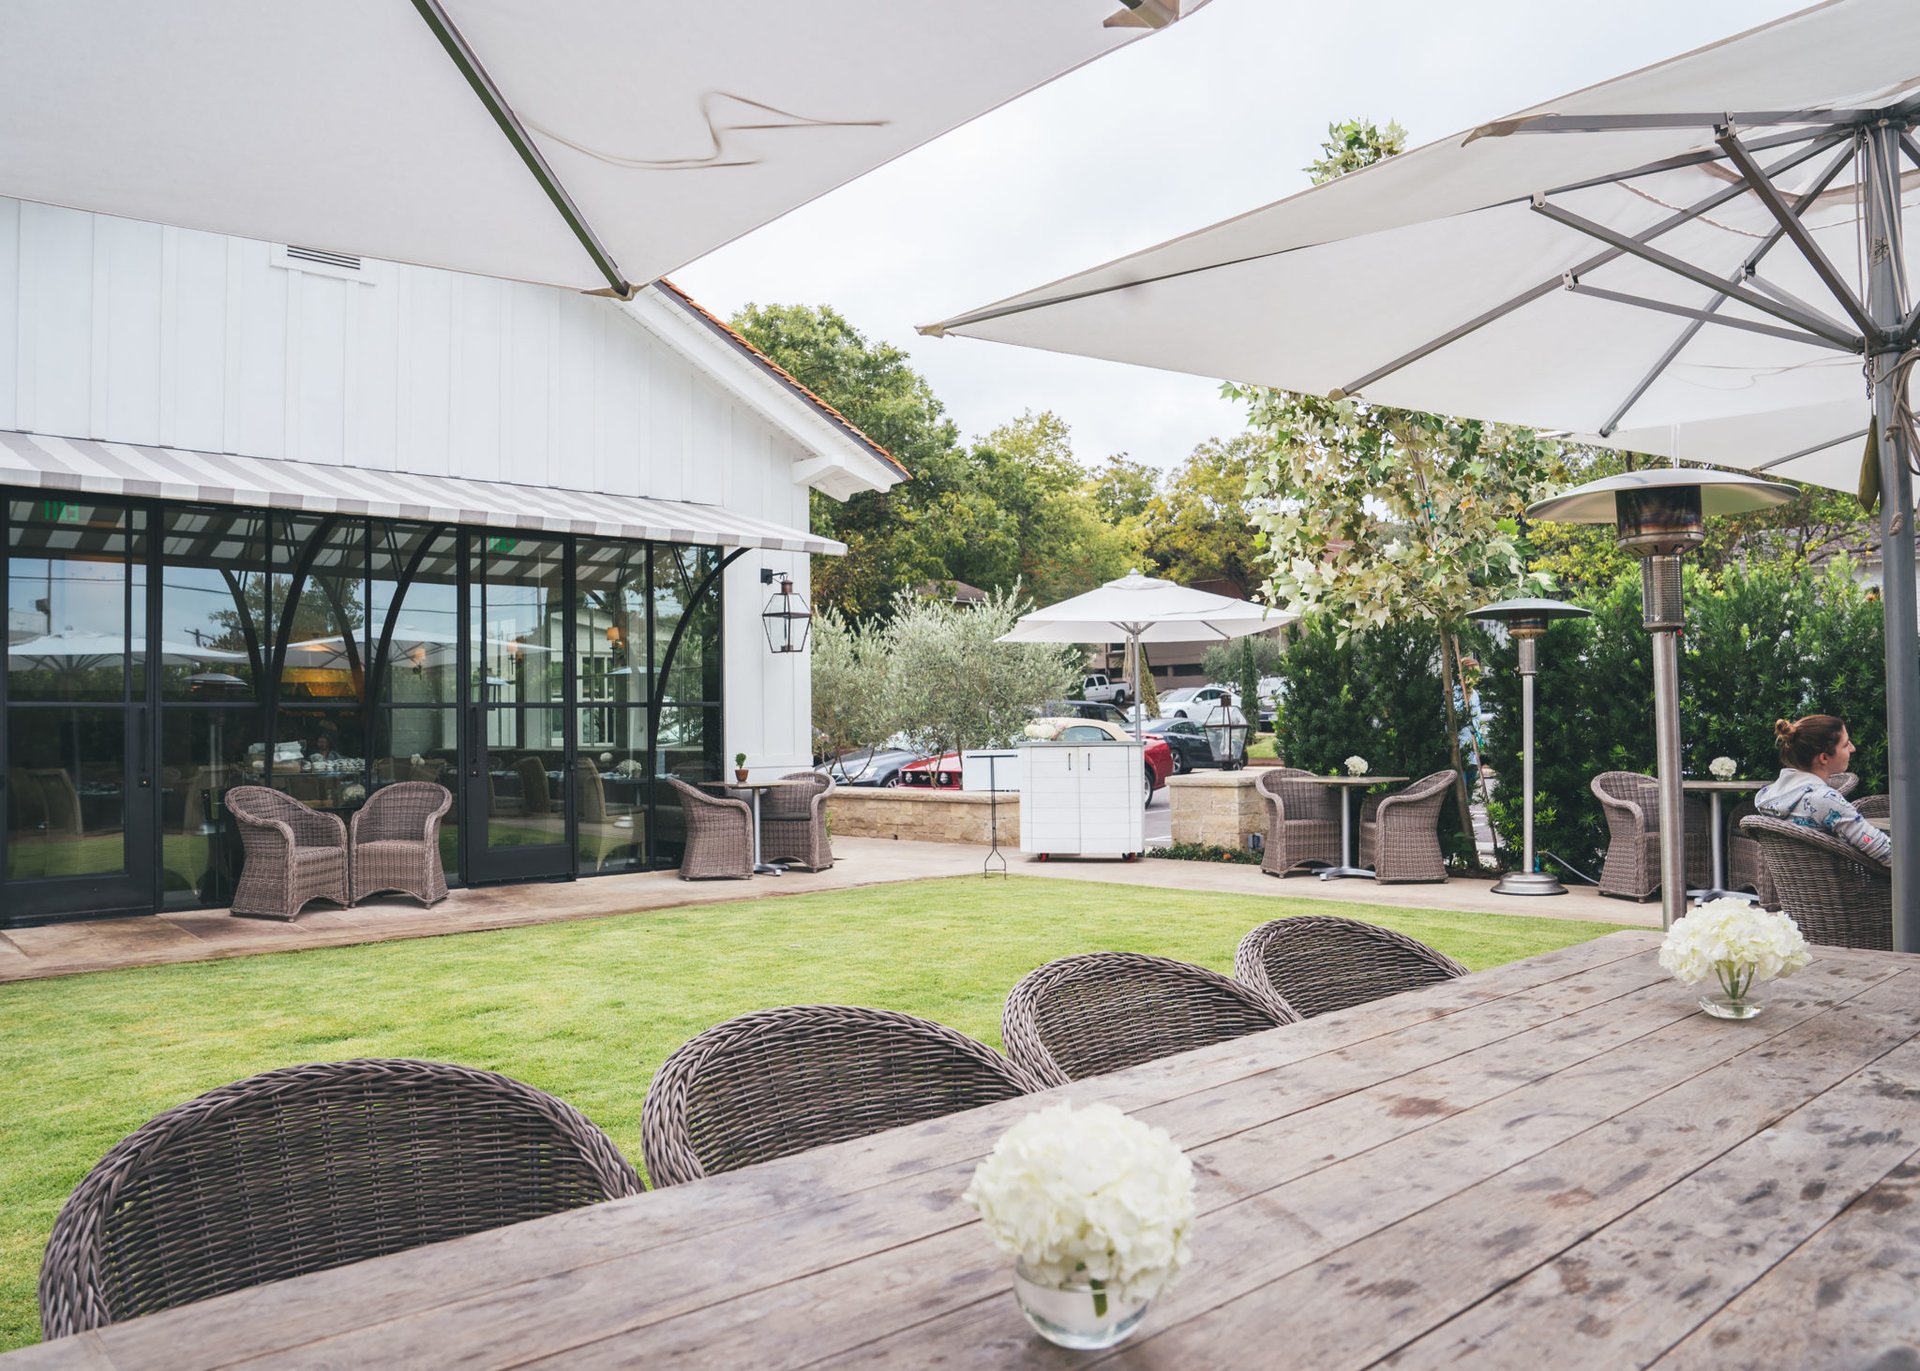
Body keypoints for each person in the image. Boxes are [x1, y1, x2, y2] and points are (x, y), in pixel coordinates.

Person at [1755, 715, 1890, 864]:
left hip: (1796, 886)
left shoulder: (1769, 795)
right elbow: (1885, 852)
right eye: (1845, 745)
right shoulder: (1824, 799)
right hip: (1844, 885)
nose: (1853, 748)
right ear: (1824, 758)